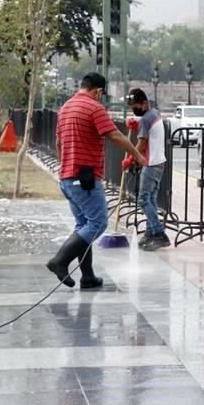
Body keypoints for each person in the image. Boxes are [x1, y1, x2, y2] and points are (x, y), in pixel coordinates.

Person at [47, 72, 146, 288]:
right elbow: (114, 135)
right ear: (99, 91)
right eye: (102, 94)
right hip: (85, 178)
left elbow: (59, 142)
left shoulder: (65, 108)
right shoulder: (94, 107)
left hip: (67, 176)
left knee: (83, 224)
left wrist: (66, 166)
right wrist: (137, 155)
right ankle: (60, 261)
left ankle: (88, 276)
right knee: (98, 223)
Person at [126, 88, 170, 251]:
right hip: (159, 162)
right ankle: (150, 233)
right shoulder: (155, 114)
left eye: (136, 106)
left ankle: (159, 234)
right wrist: (136, 124)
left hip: (150, 163)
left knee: (143, 199)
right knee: (151, 199)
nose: (134, 109)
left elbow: (142, 143)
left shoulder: (145, 119)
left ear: (144, 103)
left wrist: (131, 158)